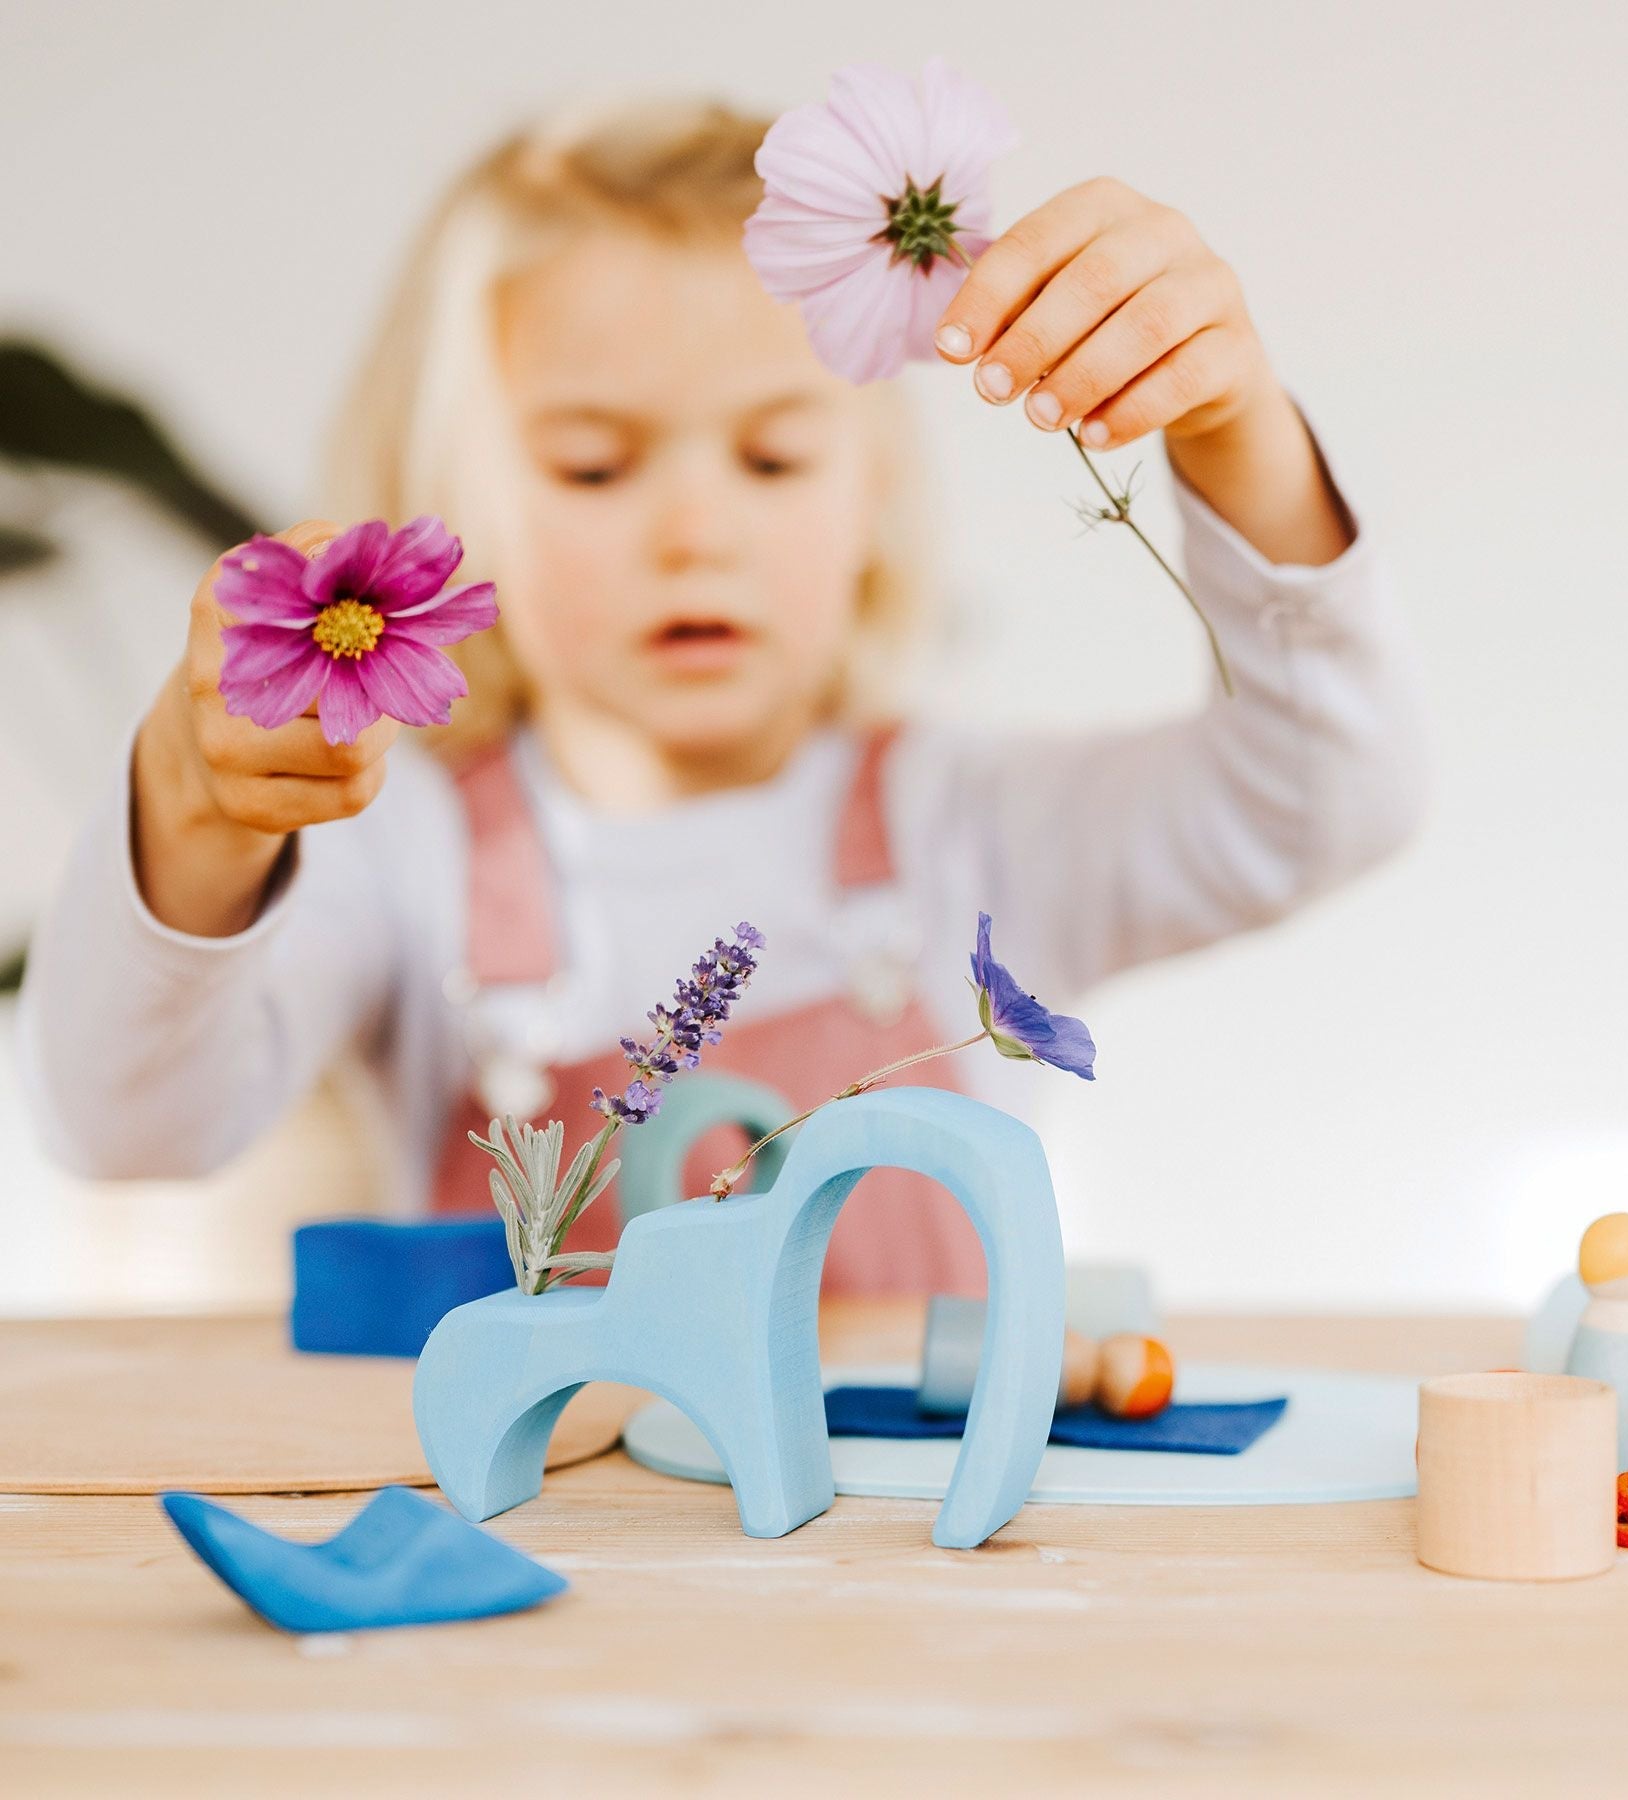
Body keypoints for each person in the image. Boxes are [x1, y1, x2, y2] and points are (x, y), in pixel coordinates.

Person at [18, 97, 1429, 1296]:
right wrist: (195, 819)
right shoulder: (405, 849)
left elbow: (1333, 805)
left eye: (769, 459)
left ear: (873, 494)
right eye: (594, 465)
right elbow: (128, 1128)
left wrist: (1234, 431)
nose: (696, 531)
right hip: (541, 1597)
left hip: (922, 1591)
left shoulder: (973, 828)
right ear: (453, 499)